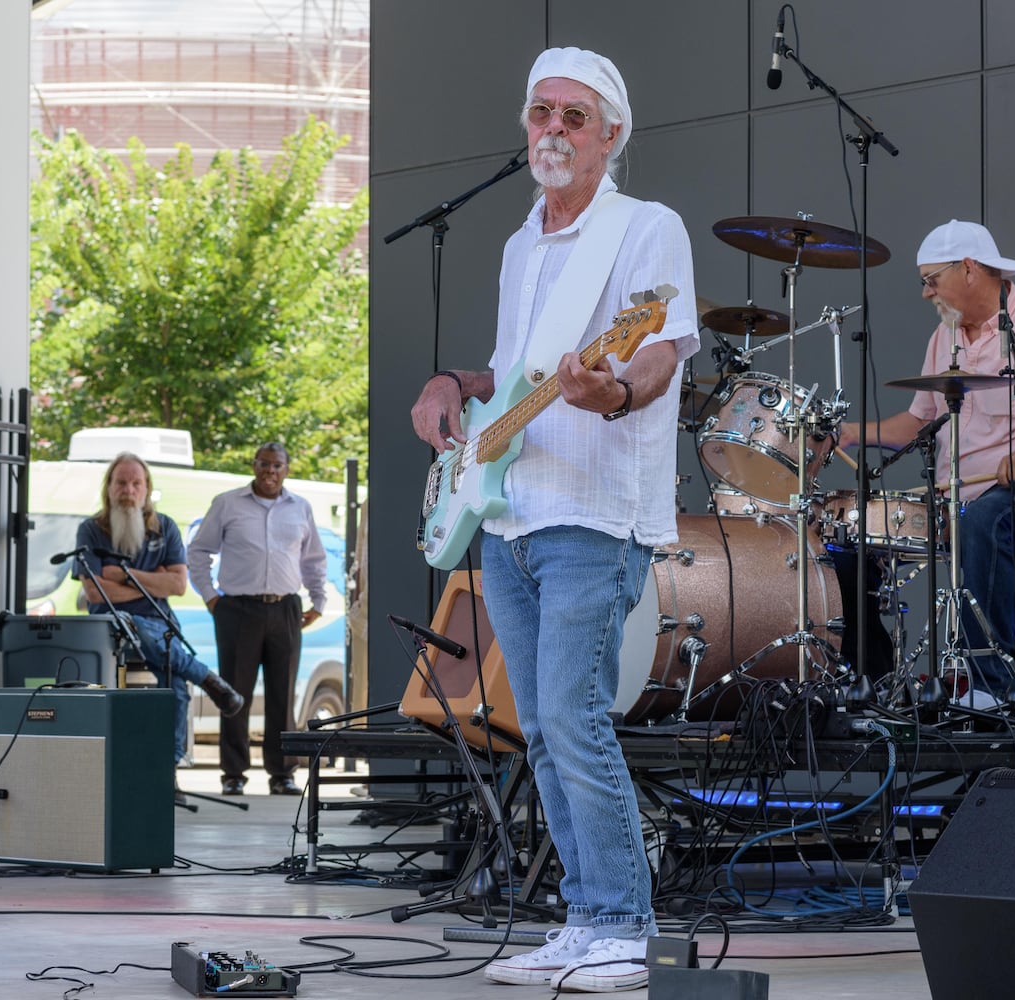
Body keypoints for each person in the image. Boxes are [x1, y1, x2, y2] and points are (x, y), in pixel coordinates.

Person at [410, 47, 697, 994]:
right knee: (537, 724)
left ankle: (625, 919)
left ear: (611, 135)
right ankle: (585, 918)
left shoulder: (646, 228)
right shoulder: (517, 243)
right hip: (512, 511)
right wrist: (457, 384)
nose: (555, 130)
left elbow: (658, 349)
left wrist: (611, 392)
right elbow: (516, 369)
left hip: (594, 514)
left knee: (574, 717)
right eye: (542, 113)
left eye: (576, 116)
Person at [838, 220, 1015, 698]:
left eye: (930, 280)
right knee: (852, 536)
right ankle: (872, 683)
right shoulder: (946, 337)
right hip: (957, 495)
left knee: (981, 523)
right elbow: (920, 423)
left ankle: (991, 686)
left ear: (968, 269)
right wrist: (852, 434)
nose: (925, 293)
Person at [72, 452, 244, 770]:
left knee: (175, 684)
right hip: (108, 625)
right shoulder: (90, 530)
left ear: (147, 488)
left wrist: (122, 574)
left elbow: (178, 585)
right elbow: (95, 590)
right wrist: (153, 582)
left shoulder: (164, 527)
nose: (129, 489)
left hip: (158, 621)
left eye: (136, 483)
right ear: (108, 487)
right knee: (133, 623)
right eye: (121, 482)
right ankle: (207, 678)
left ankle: (170, 767)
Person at [186, 442, 327, 796]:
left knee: (283, 693)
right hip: (236, 610)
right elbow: (198, 551)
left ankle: (282, 774)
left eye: (277, 465)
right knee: (235, 693)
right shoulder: (227, 503)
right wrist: (211, 597)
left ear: (287, 469)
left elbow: (313, 560)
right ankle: (233, 774)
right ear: (254, 465)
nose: (270, 471)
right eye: (264, 464)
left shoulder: (301, 508)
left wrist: (319, 601)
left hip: (285, 609)